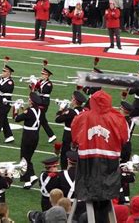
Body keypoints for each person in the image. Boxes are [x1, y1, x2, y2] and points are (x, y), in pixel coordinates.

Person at [71, 90, 128, 222]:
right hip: (110, 166)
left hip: (87, 166)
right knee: (104, 203)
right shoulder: (118, 118)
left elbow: (74, 138)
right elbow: (125, 139)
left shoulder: (82, 117)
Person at [16, 92, 42, 189]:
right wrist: (23, 108)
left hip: (28, 136)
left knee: (24, 158)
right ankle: (32, 176)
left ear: (31, 101)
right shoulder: (38, 110)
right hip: (35, 135)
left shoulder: (29, 111)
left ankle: (26, 181)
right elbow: (29, 116)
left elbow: (17, 118)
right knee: (28, 157)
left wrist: (16, 108)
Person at [55, 91, 85, 169]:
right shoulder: (84, 111)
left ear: (75, 100)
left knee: (65, 159)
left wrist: (61, 109)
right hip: (80, 138)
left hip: (69, 138)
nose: (71, 100)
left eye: (72, 98)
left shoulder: (71, 112)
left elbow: (57, 119)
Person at [0, 65, 15, 144]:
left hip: (6, 102)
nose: (3, 72)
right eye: (3, 71)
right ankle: (9, 136)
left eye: (5, 71)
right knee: (4, 119)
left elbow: (4, 89)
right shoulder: (1, 79)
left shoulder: (10, 82)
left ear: (9, 73)